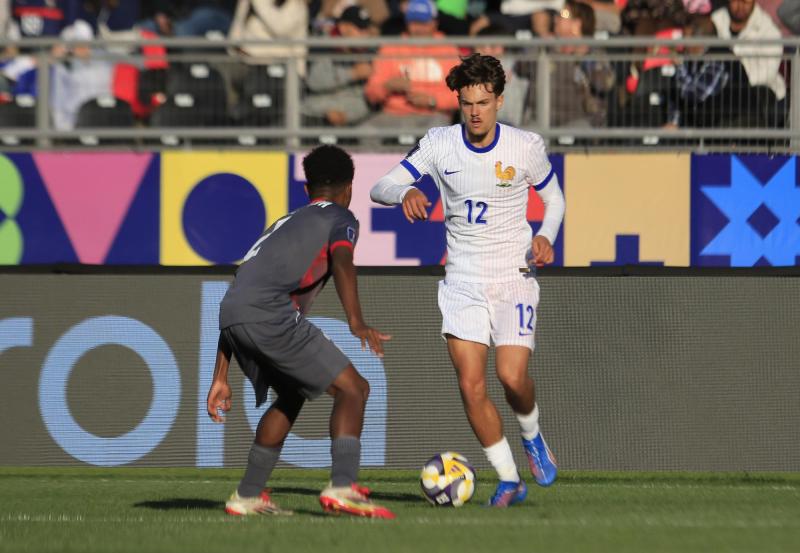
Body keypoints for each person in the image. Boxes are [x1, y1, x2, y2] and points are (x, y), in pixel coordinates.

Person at [370, 53, 565, 508]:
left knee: (512, 377)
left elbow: (554, 201)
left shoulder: (524, 147)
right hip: (462, 280)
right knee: (471, 384)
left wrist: (546, 237)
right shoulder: (439, 143)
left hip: (513, 275)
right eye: (466, 103)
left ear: (499, 99)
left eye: (483, 101)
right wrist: (407, 190)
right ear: (458, 102)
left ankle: (533, 435)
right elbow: (380, 187)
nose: (475, 111)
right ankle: (508, 478)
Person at [206, 145, 395, 519]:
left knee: (291, 395)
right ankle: (343, 487)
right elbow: (343, 259)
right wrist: (356, 321)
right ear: (349, 188)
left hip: (232, 314)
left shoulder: (283, 223)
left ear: (307, 191)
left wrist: (220, 375)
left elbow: (239, 292)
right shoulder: (342, 216)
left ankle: (247, 496)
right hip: (270, 314)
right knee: (354, 389)